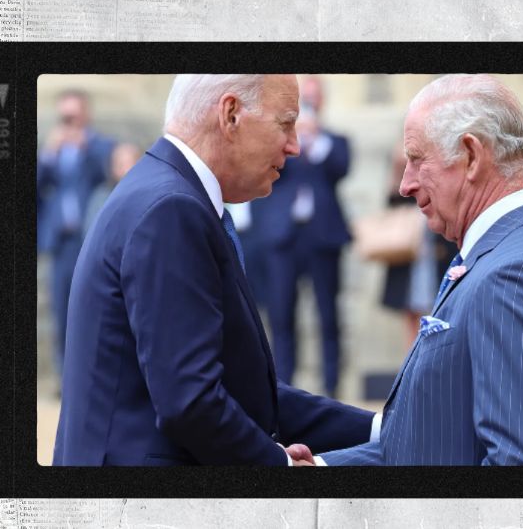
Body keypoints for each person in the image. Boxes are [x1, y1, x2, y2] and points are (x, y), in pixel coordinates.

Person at [52, 74, 377, 467]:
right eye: (285, 123)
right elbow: (192, 403)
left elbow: (242, 390)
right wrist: (284, 467)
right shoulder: (171, 209)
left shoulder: (168, 193)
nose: (294, 145)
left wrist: (381, 430)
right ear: (231, 115)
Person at [315, 74, 523, 466]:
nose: (405, 184)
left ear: (470, 155)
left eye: (416, 159)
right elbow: (428, 443)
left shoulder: (515, 276)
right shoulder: (500, 253)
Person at [251, 76, 352, 397]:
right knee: (281, 317)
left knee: (328, 316)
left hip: (322, 238)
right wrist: (295, 139)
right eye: (303, 96)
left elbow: (341, 168)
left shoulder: (335, 141)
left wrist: (316, 138)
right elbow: (270, 174)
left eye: (313, 96)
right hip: (283, 238)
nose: (309, 102)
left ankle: (332, 387)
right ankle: (283, 389)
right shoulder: (276, 141)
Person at [37, 90, 115, 379]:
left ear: (86, 114)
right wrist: (47, 155)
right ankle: (66, 378)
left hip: (91, 242)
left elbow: (113, 172)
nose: (68, 121)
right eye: (64, 116)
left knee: (96, 311)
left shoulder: (101, 146)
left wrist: (86, 148)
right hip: (61, 243)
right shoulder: (53, 152)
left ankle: (95, 377)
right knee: (61, 313)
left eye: (73, 115)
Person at [380, 143, 459, 346]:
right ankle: (412, 360)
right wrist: (398, 168)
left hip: (437, 254)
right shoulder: (405, 181)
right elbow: (393, 201)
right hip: (412, 253)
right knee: (411, 308)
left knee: (438, 307)